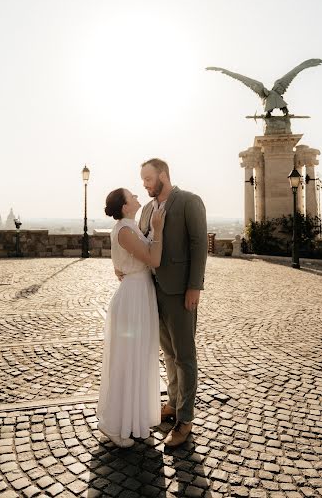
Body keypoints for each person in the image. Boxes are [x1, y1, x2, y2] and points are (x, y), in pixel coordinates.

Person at [139, 158, 207, 447]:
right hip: (151, 291)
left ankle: (185, 419)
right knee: (167, 353)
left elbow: (199, 245)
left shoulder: (189, 202)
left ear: (163, 176)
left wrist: (195, 286)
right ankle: (174, 402)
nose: (144, 184)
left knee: (185, 356)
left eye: (149, 178)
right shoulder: (145, 210)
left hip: (181, 292)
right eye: (142, 179)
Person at [97, 187, 166, 448]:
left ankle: (135, 420)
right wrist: (158, 231)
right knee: (127, 360)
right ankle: (115, 424)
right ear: (125, 207)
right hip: (132, 298)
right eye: (132, 196)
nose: (138, 197)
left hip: (140, 293)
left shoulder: (130, 226)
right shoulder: (125, 230)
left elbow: (124, 262)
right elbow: (153, 259)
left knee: (139, 357)